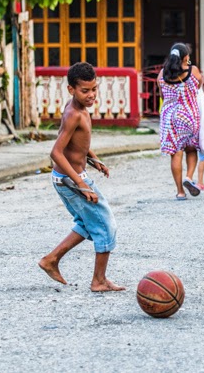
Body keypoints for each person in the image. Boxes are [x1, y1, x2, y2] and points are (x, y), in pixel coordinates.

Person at [38, 62, 124, 291]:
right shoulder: (73, 114)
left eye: (94, 89)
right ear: (71, 90)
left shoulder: (82, 109)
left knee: (88, 223)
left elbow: (78, 145)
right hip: (70, 180)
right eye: (85, 91)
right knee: (105, 225)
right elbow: (56, 152)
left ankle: (51, 260)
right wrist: (82, 183)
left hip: (75, 176)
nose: (91, 95)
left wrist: (95, 161)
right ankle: (99, 281)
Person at [158, 43, 203, 200]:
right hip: (189, 115)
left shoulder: (162, 74)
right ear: (186, 57)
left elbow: (163, 95)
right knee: (191, 149)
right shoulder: (193, 71)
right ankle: (189, 178)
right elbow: (198, 88)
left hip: (170, 117)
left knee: (176, 154)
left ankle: (180, 192)